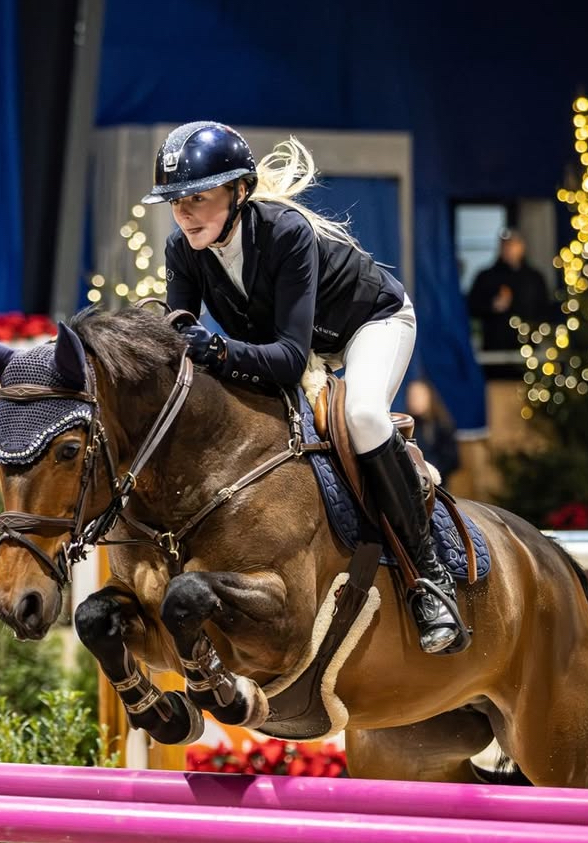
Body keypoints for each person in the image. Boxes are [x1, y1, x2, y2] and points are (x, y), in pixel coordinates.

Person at [144, 120, 464, 654]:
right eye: (176, 201)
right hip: (287, 344)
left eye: (197, 198)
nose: (184, 212)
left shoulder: (284, 231)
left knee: (362, 415)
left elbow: (291, 359)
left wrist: (218, 351)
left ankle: (430, 577)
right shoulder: (184, 250)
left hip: (369, 324)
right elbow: (180, 336)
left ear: (239, 191)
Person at [467, 228, 555, 379]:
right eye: (505, 245)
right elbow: (471, 306)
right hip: (495, 355)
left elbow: (544, 311)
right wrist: (492, 306)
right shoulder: (486, 277)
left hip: (528, 355)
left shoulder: (534, 278)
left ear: (522, 246)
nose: (509, 249)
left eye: (513, 244)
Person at [405, 378, 459, 490]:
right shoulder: (404, 428)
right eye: (411, 396)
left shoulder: (442, 425)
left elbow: (453, 459)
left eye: (419, 396)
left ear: (429, 397)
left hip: (438, 486)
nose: (414, 400)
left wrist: (430, 472)